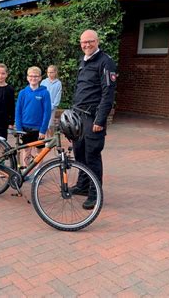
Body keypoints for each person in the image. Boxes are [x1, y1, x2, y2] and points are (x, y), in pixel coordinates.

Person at [71, 29, 117, 210]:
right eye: (83, 42)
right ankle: (82, 186)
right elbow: (79, 88)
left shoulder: (106, 62)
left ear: (97, 41)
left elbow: (108, 94)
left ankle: (94, 193)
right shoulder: (83, 61)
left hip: (93, 118)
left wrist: (99, 120)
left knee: (92, 156)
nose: (86, 45)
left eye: (90, 41)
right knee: (79, 154)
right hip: (79, 117)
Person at [15, 66, 51, 169]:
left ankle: (38, 171)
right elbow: (18, 111)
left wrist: (43, 130)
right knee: (26, 150)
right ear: (27, 77)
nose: (33, 78)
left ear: (40, 78)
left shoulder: (45, 93)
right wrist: (19, 128)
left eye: (36, 76)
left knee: (39, 151)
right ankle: (26, 170)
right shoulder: (23, 93)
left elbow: (47, 113)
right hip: (25, 128)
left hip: (39, 129)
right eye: (31, 76)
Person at [41, 65, 62, 136]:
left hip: (52, 107)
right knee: (44, 124)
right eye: (48, 72)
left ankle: (51, 139)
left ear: (55, 72)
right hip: (43, 106)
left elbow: (58, 95)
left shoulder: (58, 83)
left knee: (50, 124)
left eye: (51, 72)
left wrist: (53, 105)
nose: (49, 74)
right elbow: (40, 93)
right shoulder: (44, 82)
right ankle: (46, 139)